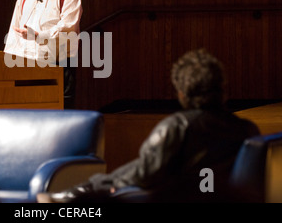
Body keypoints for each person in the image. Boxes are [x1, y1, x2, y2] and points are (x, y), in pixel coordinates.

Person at [40, 48, 260, 203]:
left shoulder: (177, 126)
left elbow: (144, 174)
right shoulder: (247, 129)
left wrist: (95, 186)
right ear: (222, 88)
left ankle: (72, 195)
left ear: (182, 93)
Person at [3, 0, 83, 109]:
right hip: (24, 69)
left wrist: (38, 36)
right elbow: (13, 32)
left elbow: (68, 31)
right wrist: (5, 67)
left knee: (56, 121)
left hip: (56, 68)